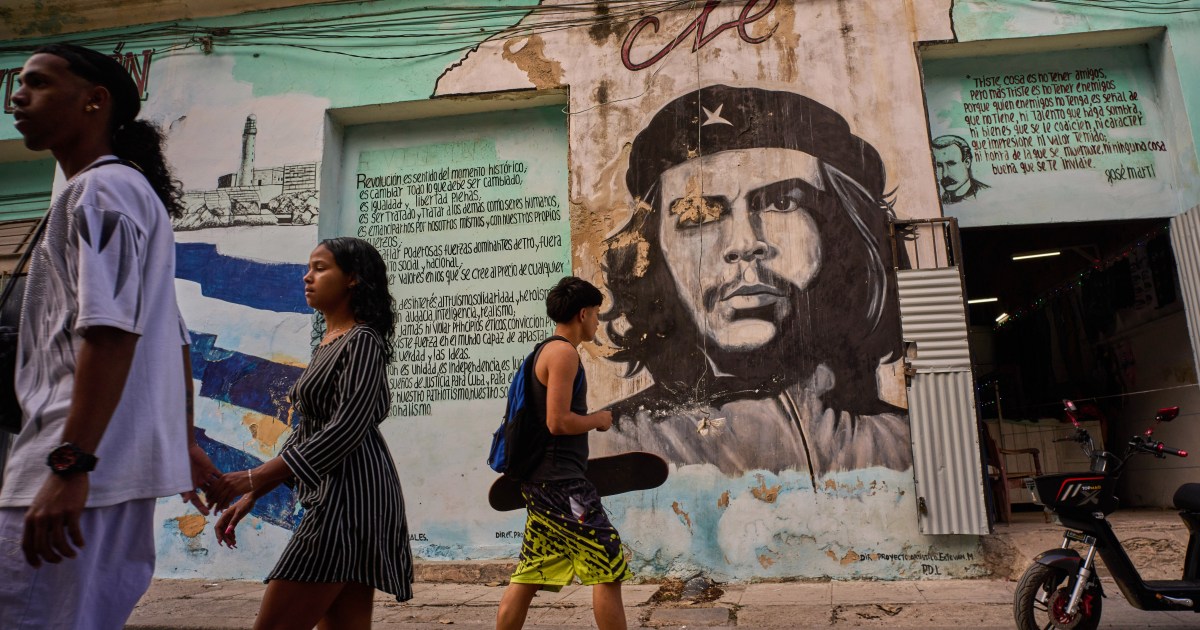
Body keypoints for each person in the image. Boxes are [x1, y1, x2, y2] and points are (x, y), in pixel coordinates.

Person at [0, 43, 219, 628]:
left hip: (74, 467)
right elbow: (171, 337)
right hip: (105, 471)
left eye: (39, 83)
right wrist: (181, 442)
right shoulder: (123, 192)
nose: (18, 96)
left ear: (95, 100)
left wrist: (68, 467)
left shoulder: (101, 192)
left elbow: (112, 333)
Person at [596, 84, 911, 481]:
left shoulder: (906, 444)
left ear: (843, 231)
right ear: (655, 253)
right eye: (698, 216)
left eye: (782, 203)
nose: (744, 244)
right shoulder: (614, 448)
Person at [208, 236, 413, 629]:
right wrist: (253, 494)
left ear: (352, 278)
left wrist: (253, 476)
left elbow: (344, 429)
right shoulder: (330, 343)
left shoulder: (362, 341)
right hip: (343, 495)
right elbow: (308, 432)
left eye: (320, 268)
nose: (307, 276)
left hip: (349, 500)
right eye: (308, 268)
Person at [495, 276, 631, 630]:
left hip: (542, 482)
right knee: (607, 559)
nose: (597, 322)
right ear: (582, 314)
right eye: (596, 314)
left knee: (531, 571)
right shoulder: (563, 353)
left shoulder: (545, 351)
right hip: (562, 485)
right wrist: (598, 420)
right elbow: (557, 422)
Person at [932, 134, 989, 204]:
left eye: (951, 164)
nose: (945, 174)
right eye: (939, 165)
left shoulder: (986, 194)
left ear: (967, 162)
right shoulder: (937, 199)